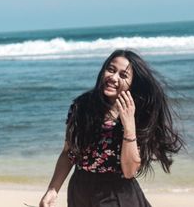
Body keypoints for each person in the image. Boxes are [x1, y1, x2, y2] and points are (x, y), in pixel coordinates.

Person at [39, 49, 184, 207]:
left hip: (116, 193)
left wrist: (129, 125)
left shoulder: (140, 114)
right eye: (111, 70)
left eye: (123, 75)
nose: (113, 78)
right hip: (80, 189)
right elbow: (68, 153)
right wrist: (53, 189)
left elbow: (129, 171)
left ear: (132, 83)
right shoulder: (81, 106)